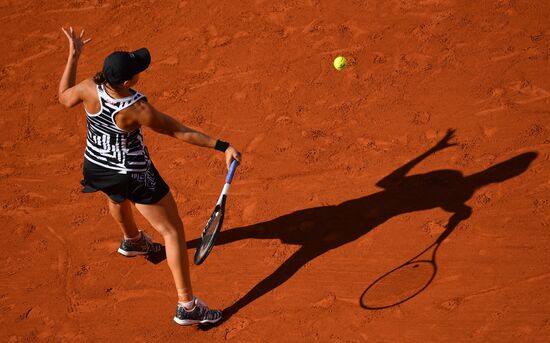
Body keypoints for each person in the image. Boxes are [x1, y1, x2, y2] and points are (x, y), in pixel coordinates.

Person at [58, 27, 241, 326]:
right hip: (132, 174)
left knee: (116, 197)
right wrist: (222, 145)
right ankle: (188, 305)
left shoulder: (90, 86)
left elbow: (64, 98)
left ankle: (133, 241)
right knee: (172, 231)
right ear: (128, 81)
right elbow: (177, 130)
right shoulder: (135, 108)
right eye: (137, 71)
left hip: (95, 167)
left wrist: (73, 56)